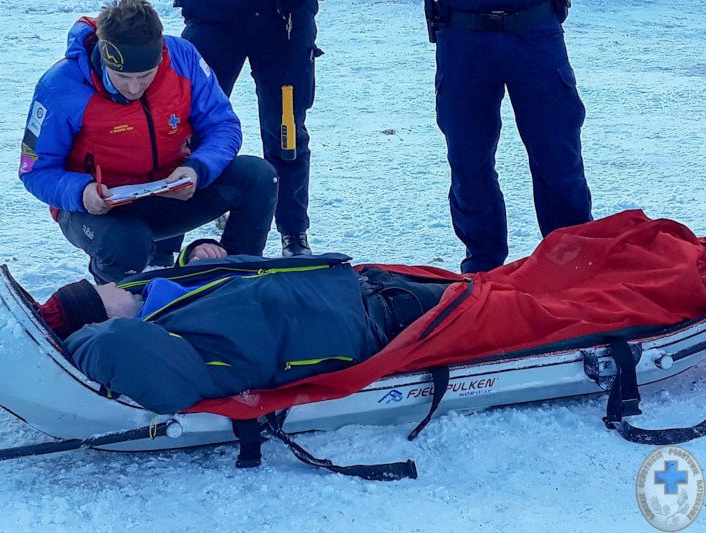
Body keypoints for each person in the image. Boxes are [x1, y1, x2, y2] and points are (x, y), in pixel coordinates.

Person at [19, 0, 278, 284]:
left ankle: (235, 279)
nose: (133, 88)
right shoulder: (60, 87)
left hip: (172, 191)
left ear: (160, 55)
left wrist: (197, 169)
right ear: (104, 60)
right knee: (128, 246)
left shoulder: (183, 59)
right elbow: (36, 170)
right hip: (100, 208)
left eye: (144, 76)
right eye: (121, 77)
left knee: (259, 177)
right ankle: (114, 302)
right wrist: (81, 192)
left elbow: (223, 125)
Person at [37, 242, 449, 414]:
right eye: (98, 292)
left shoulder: (150, 292)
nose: (105, 283)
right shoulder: (168, 351)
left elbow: (231, 280)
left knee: (488, 281)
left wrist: (195, 253)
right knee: (506, 308)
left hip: (354, 280)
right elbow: (113, 347)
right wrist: (69, 339)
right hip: (376, 324)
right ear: (102, 317)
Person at [425, 0, 593, 273]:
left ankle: (572, 265)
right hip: (461, 32)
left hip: (534, 28)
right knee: (469, 161)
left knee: (557, 156)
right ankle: (483, 272)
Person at [173, 0, 321, 257]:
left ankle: (294, 234)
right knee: (186, 128)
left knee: (286, 133)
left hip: (284, 18)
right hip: (213, 15)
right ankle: (165, 244)